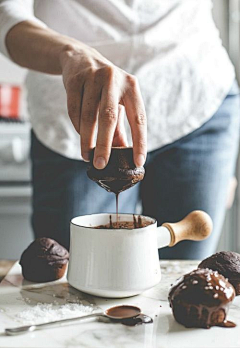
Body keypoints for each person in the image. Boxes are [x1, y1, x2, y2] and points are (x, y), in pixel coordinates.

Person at [0, 0, 239, 259]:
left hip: (193, 97)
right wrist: (67, 53)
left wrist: (224, 170)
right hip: (78, 124)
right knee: (75, 277)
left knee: (186, 279)